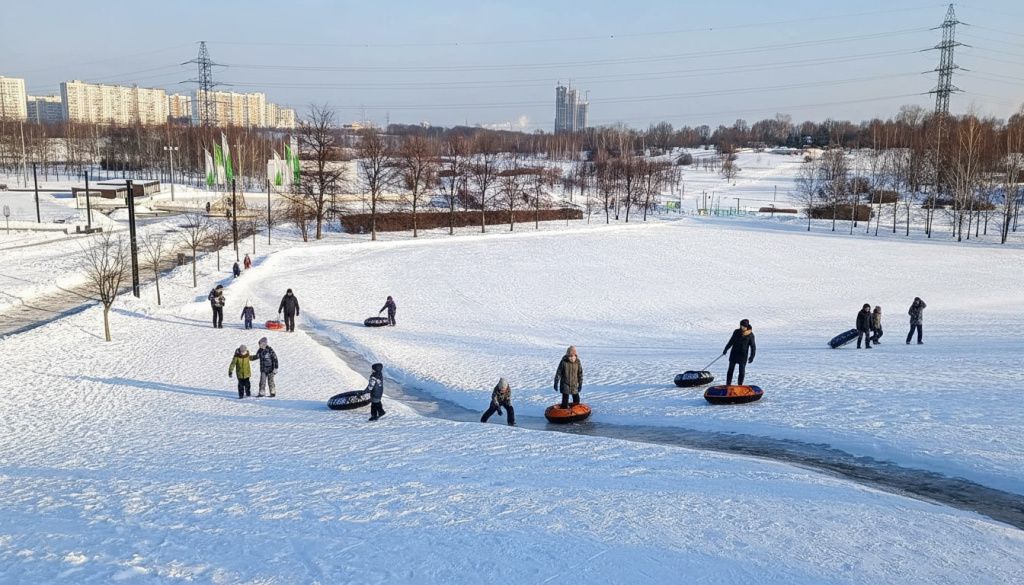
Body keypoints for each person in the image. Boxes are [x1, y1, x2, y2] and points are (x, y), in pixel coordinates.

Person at [722, 319, 756, 385]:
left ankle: (740, 385)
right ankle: (728, 384)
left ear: (746, 327)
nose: (742, 327)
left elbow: (753, 347)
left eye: (743, 326)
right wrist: (726, 349)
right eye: (741, 326)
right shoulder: (736, 332)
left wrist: (752, 356)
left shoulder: (751, 335)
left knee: (741, 371)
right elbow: (731, 341)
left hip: (743, 356)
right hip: (734, 354)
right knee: (730, 370)